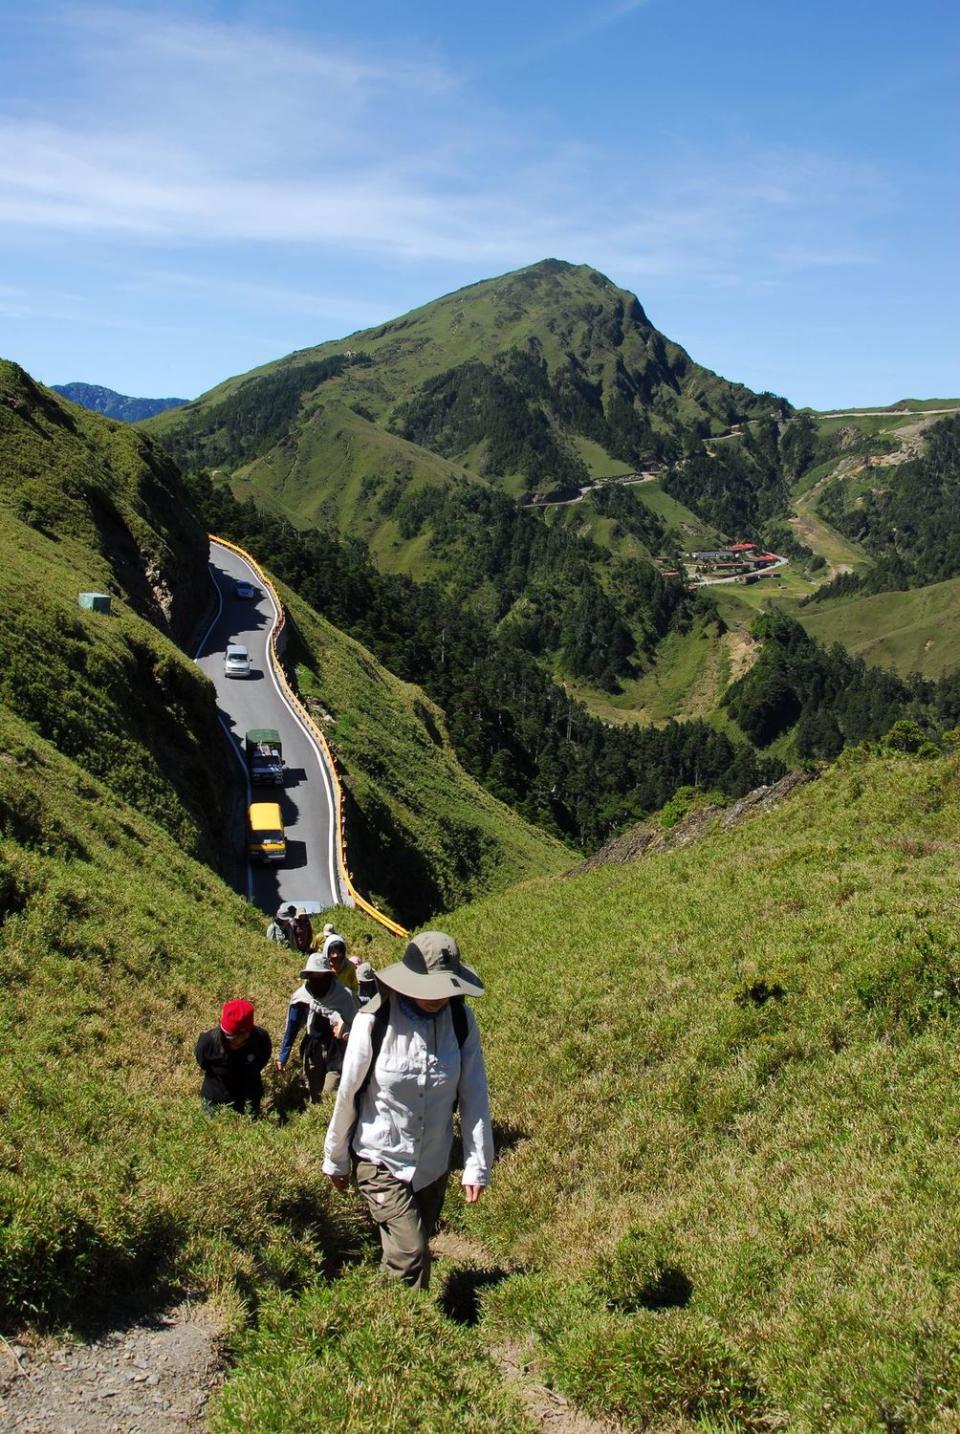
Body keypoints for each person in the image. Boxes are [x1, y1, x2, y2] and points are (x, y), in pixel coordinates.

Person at [323, 931, 493, 1291]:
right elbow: (348, 1092)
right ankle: (400, 1333)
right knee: (411, 1253)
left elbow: (474, 1095)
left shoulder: (461, 1023)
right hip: (380, 1158)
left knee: (413, 1253)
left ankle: (398, 1329)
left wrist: (477, 1165)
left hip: (432, 1165)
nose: (439, 997)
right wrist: (336, 1158)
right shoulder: (375, 1021)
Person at [276, 949, 358, 1101]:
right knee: (315, 1093)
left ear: (328, 976)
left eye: (321, 977)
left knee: (330, 1093)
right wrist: (283, 1055)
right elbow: (292, 1025)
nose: (318, 981)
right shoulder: (302, 996)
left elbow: (355, 1024)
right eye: (314, 977)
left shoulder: (343, 995)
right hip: (313, 1047)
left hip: (337, 1050)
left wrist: (347, 1033)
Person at [195, 999, 272, 1117]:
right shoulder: (208, 1042)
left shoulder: (260, 1039)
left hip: (248, 1098)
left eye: (242, 1037)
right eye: (231, 1038)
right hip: (215, 1098)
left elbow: (262, 1060)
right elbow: (202, 1063)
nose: (237, 1041)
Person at [322, 929, 359, 997]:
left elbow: (355, 988)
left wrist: (346, 996)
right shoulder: (322, 967)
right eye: (332, 952)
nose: (336, 956)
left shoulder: (349, 967)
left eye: (339, 952)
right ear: (326, 953)